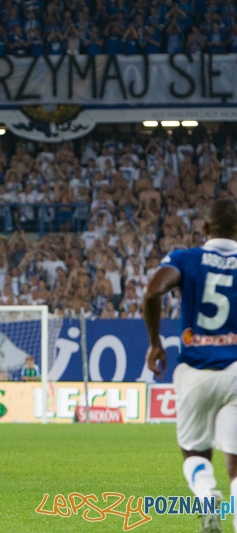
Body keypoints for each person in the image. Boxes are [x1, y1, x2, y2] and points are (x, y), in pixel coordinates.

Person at [143, 199, 237, 533]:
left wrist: (155, 342)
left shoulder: (186, 258)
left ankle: (206, 496)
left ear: (206, 229)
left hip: (195, 372)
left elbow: (153, 293)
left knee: (195, 452)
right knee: (236, 459)